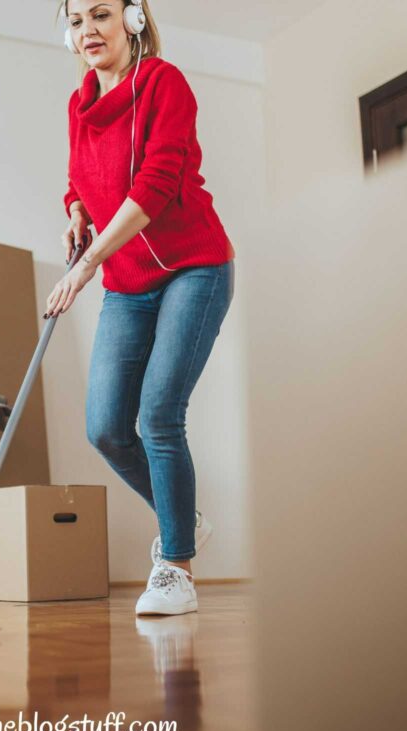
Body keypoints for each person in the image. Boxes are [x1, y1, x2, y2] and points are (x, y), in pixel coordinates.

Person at [47, 0, 235, 616]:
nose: (87, 31)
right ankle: (185, 521)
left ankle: (176, 567)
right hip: (130, 282)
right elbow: (81, 178)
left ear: (131, 20)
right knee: (104, 426)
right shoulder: (80, 106)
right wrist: (76, 210)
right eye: (76, 21)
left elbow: (154, 184)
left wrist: (86, 264)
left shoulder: (163, 83)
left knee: (158, 415)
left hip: (193, 267)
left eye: (100, 15)